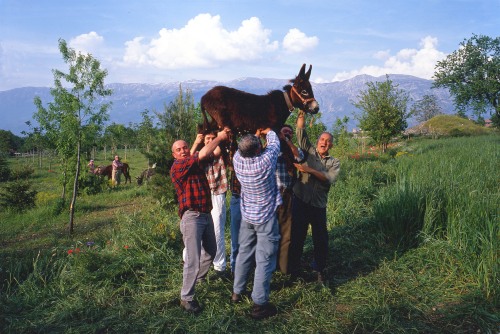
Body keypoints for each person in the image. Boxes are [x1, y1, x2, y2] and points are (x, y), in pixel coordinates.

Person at [170, 127, 230, 314]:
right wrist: (219, 137)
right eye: (179, 149)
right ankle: (186, 298)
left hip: (205, 214)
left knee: (211, 250)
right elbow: (202, 152)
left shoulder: (192, 163)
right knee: (193, 259)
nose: (183, 150)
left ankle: (197, 278)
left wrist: (199, 142)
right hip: (192, 217)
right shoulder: (178, 167)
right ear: (174, 154)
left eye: (185, 147)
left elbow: (204, 153)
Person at [231, 128, 281, 320]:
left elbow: (245, 148)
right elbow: (275, 142)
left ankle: (237, 291)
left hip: (247, 215)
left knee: (244, 252)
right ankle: (259, 304)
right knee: (264, 260)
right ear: (259, 150)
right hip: (266, 217)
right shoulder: (265, 160)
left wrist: (255, 138)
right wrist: (267, 131)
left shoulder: (237, 160)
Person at [288, 111, 340, 283]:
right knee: (297, 236)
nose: (324, 143)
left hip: (318, 205)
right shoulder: (308, 151)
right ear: (318, 142)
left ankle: (319, 269)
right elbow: (301, 133)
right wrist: (301, 117)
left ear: (331, 145)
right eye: (322, 139)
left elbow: (328, 178)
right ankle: (293, 269)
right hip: (300, 201)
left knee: (321, 238)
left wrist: (309, 170)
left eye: (328, 141)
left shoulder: (334, 162)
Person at [190, 130, 228, 278]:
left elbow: (216, 151)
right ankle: (196, 264)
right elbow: (187, 159)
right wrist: (197, 142)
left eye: (212, 138)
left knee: (218, 229)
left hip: (217, 192)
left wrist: (218, 137)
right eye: (208, 138)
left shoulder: (220, 149)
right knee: (198, 230)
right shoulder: (199, 153)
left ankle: (219, 266)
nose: (210, 140)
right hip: (201, 196)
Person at [275, 125, 304, 274]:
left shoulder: (292, 149)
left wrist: (287, 142)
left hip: (287, 195)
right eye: (284, 131)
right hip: (271, 196)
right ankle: (270, 265)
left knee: (286, 232)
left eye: (289, 132)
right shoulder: (272, 149)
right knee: (271, 232)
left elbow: (299, 156)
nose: (287, 134)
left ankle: (284, 267)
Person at [228, 167, 242, 276]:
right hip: (237, 196)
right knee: (236, 237)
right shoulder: (235, 153)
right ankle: (235, 268)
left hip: (256, 199)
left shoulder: (261, 153)